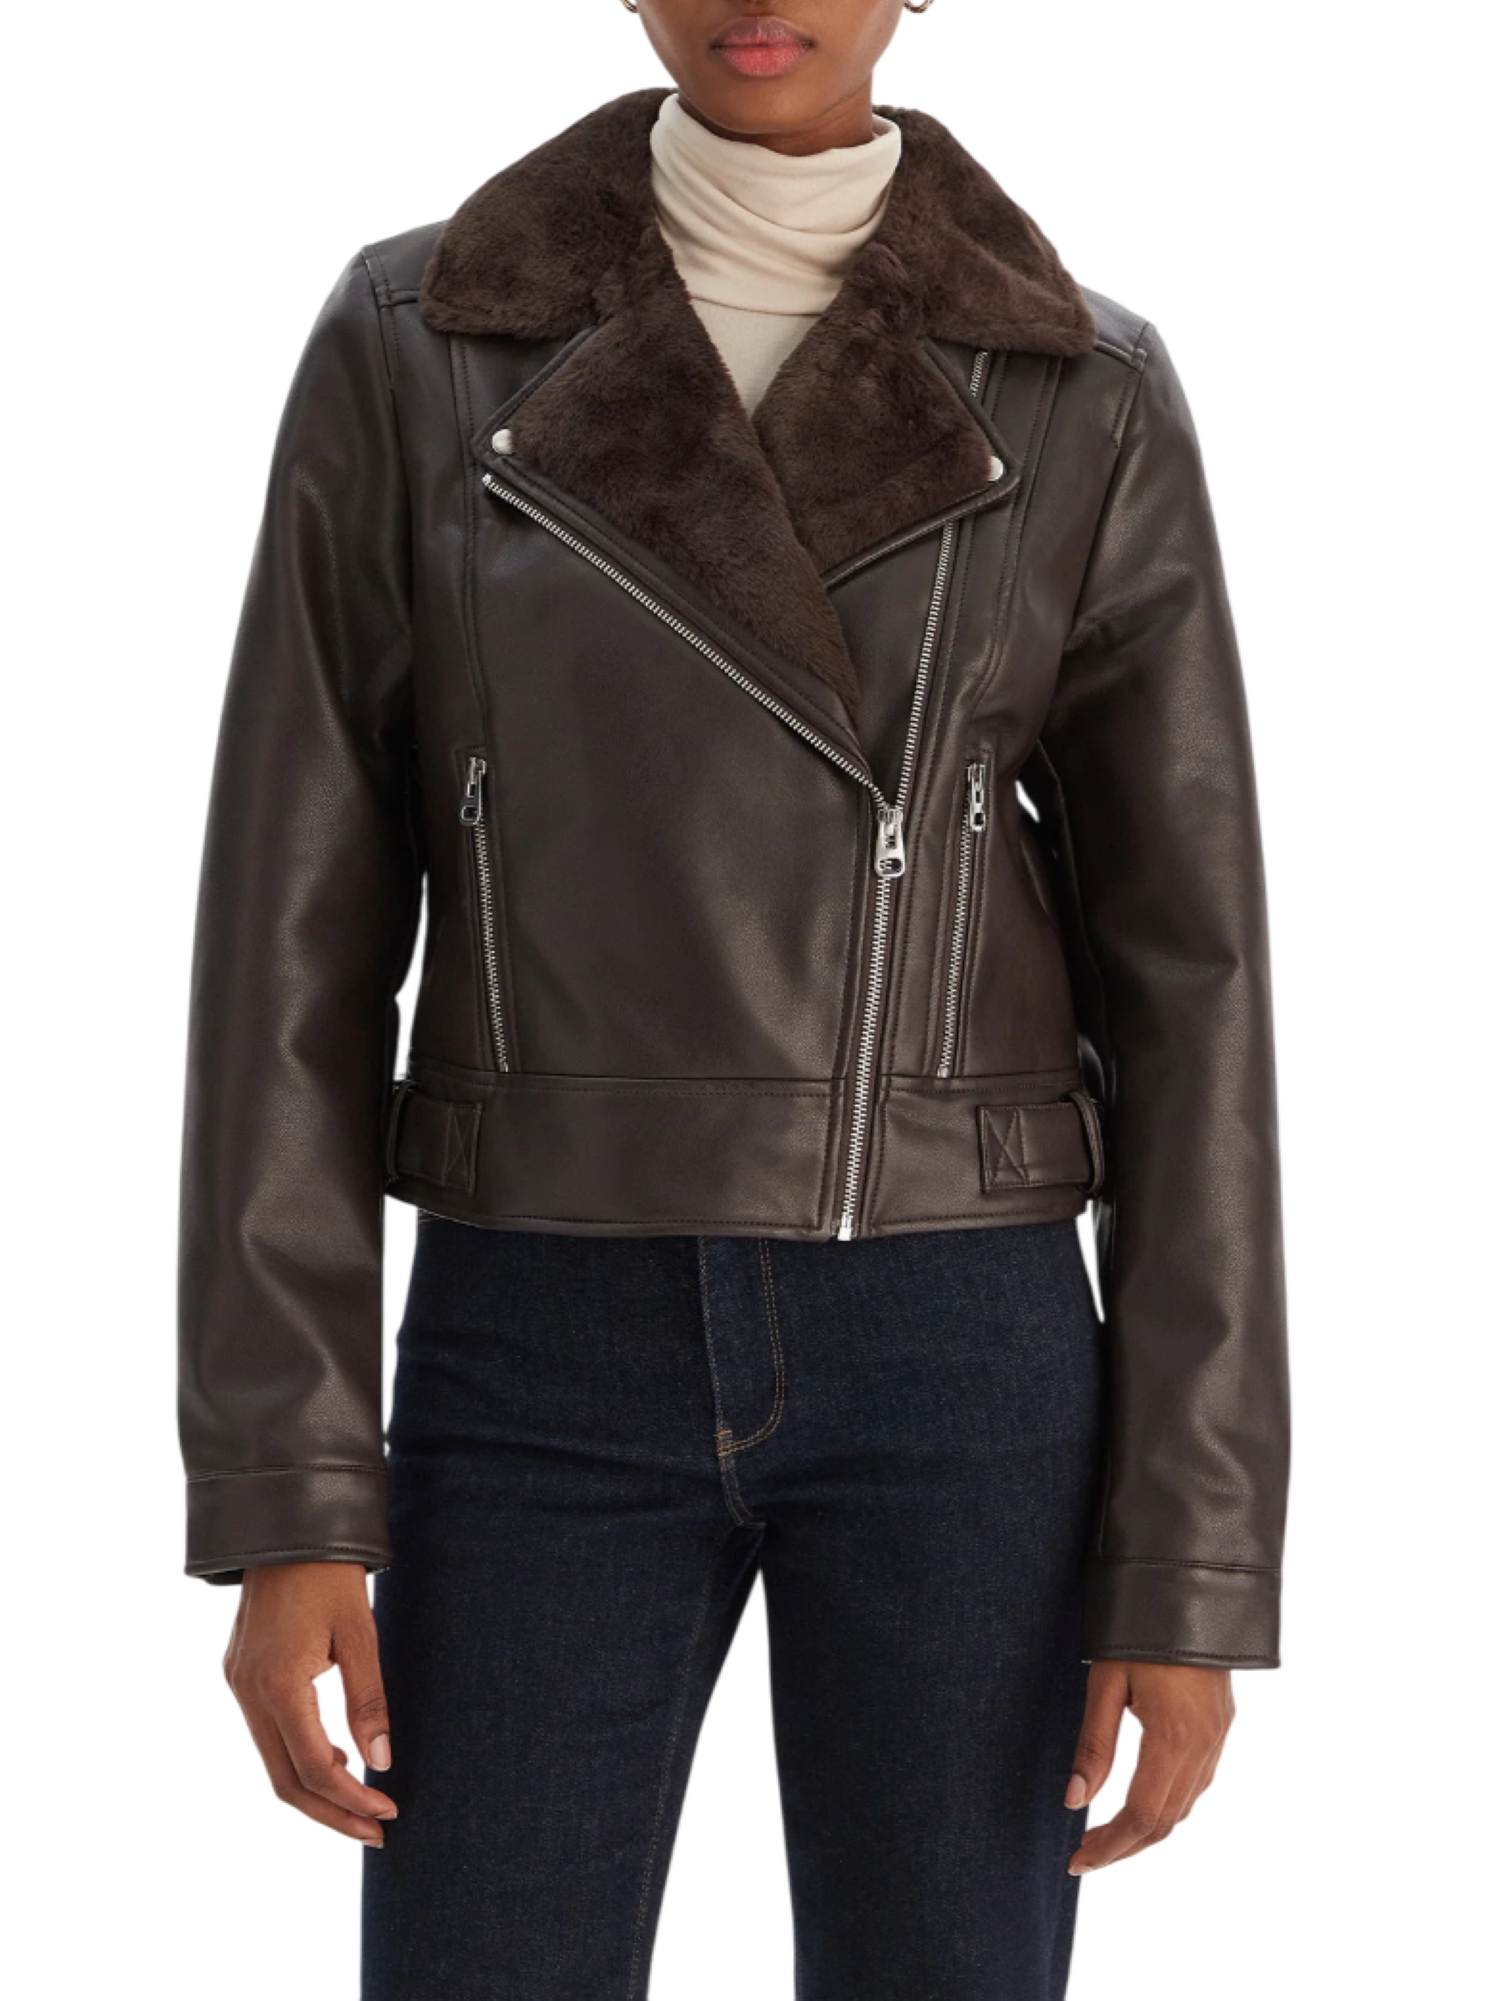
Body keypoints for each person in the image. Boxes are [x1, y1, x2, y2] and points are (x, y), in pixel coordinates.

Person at [179, 4, 1289, 1995]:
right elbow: (290, 932)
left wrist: (1191, 1556)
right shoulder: (421, 341)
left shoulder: (1080, 387)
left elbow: (1195, 995)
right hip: (536, 1331)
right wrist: (289, 1491)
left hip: (960, 1340)